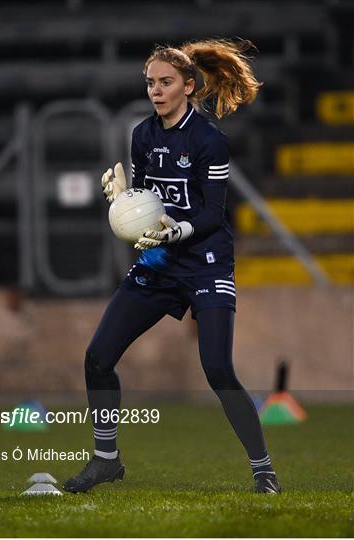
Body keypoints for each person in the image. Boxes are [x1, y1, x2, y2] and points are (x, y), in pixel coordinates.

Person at [64, 39, 281, 495]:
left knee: (219, 370)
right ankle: (107, 461)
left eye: (165, 83)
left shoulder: (208, 140)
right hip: (160, 262)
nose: (156, 91)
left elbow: (212, 212)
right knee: (97, 358)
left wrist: (176, 231)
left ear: (188, 85)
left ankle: (264, 471)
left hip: (205, 263)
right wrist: (124, 202)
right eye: (150, 83)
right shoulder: (143, 135)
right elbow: (148, 206)